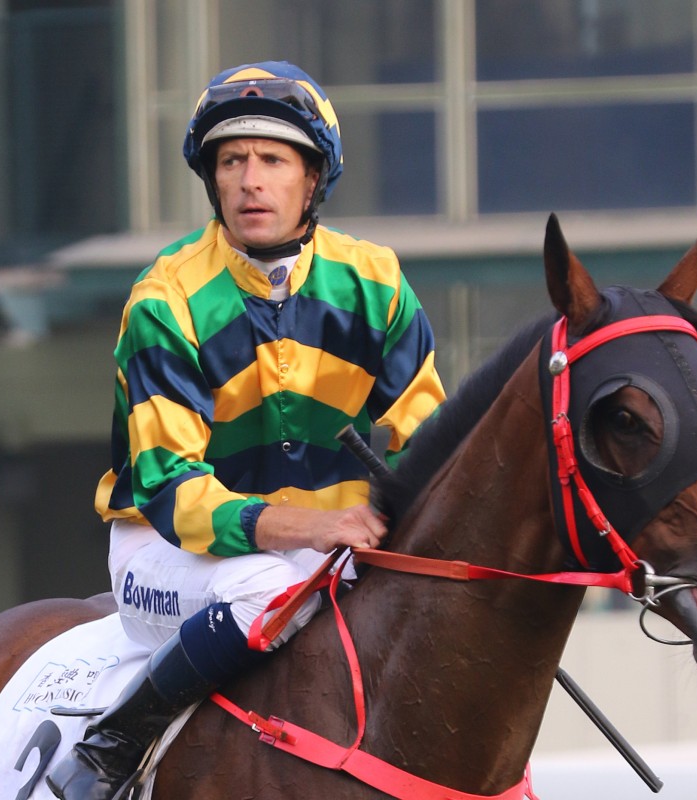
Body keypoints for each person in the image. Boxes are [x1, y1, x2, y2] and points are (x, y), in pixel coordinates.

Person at [46, 60, 446, 800]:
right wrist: (313, 526)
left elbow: (429, 443)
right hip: (169, 552)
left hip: (331, 548)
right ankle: (114, 745)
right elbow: (175, 495)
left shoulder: (377, 282)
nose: (249, 181)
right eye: (231, 161)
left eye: (272, 160)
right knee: (271, 588)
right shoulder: (165, 299)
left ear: (312, 179)